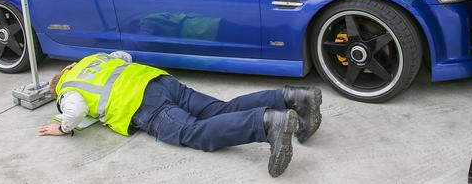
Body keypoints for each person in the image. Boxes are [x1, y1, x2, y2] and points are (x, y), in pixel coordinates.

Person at [38, 51, 323, 178]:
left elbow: (76, 111)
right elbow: (123, 56)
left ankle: (266, 123)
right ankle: (293, 98)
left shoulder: (67, 88)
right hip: (161, 82)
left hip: (143, 106)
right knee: (219, 109)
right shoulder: (92, 60)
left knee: (194, 132)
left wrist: (63, 127)